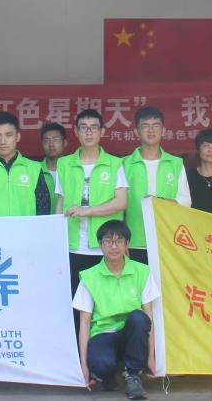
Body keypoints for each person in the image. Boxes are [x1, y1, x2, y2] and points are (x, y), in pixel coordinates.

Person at [73, 220, 157, 400]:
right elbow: (84, 323)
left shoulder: (142, 271)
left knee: (139, 318)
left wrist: (151, 357)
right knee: (101, 365)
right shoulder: (89, 276)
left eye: (119, 241)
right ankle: (106, 375)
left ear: (127, 244)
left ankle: (133, 375)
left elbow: (149, 315)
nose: (114, 246)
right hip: (103, 333)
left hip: (131, 333)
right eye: (108, 241)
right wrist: (83, 366)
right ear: (100, 244)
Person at [56, 109, 128, 294]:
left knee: (105, 300)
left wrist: (86, 210)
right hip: (73, 246)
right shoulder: (64, 164)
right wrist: (57, 237)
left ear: (102, 131)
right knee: (74, 299)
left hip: (105, 246)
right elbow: (60, 202)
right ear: (76, 131)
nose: (89, 132)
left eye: (93, 127)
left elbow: (121, 202)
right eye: (84, 127)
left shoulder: (115, 163)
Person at [122, 107, 192, 263]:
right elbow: (118, 206)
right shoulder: (124, 164)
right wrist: (121, 239)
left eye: (155, 125)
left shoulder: (175, 164)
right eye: (145, 126)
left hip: (167, 240)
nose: (151, 130)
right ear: (136, 131)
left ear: (163, 131)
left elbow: (186, 201)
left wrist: (157, 202)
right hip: (134, 240)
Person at [0, 111, 52, 216]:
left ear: (18, 136)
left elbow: (43, 209)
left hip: (26, 227)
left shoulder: (34, 168)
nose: (3, 141)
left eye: (8, 135)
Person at [41, 121, 67, 213]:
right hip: (42, 220)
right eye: (47, 140)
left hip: (68, 220)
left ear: (65, 143)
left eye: (55, 139)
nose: (51, 144)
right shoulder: (35, 170)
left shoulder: (72, 169)